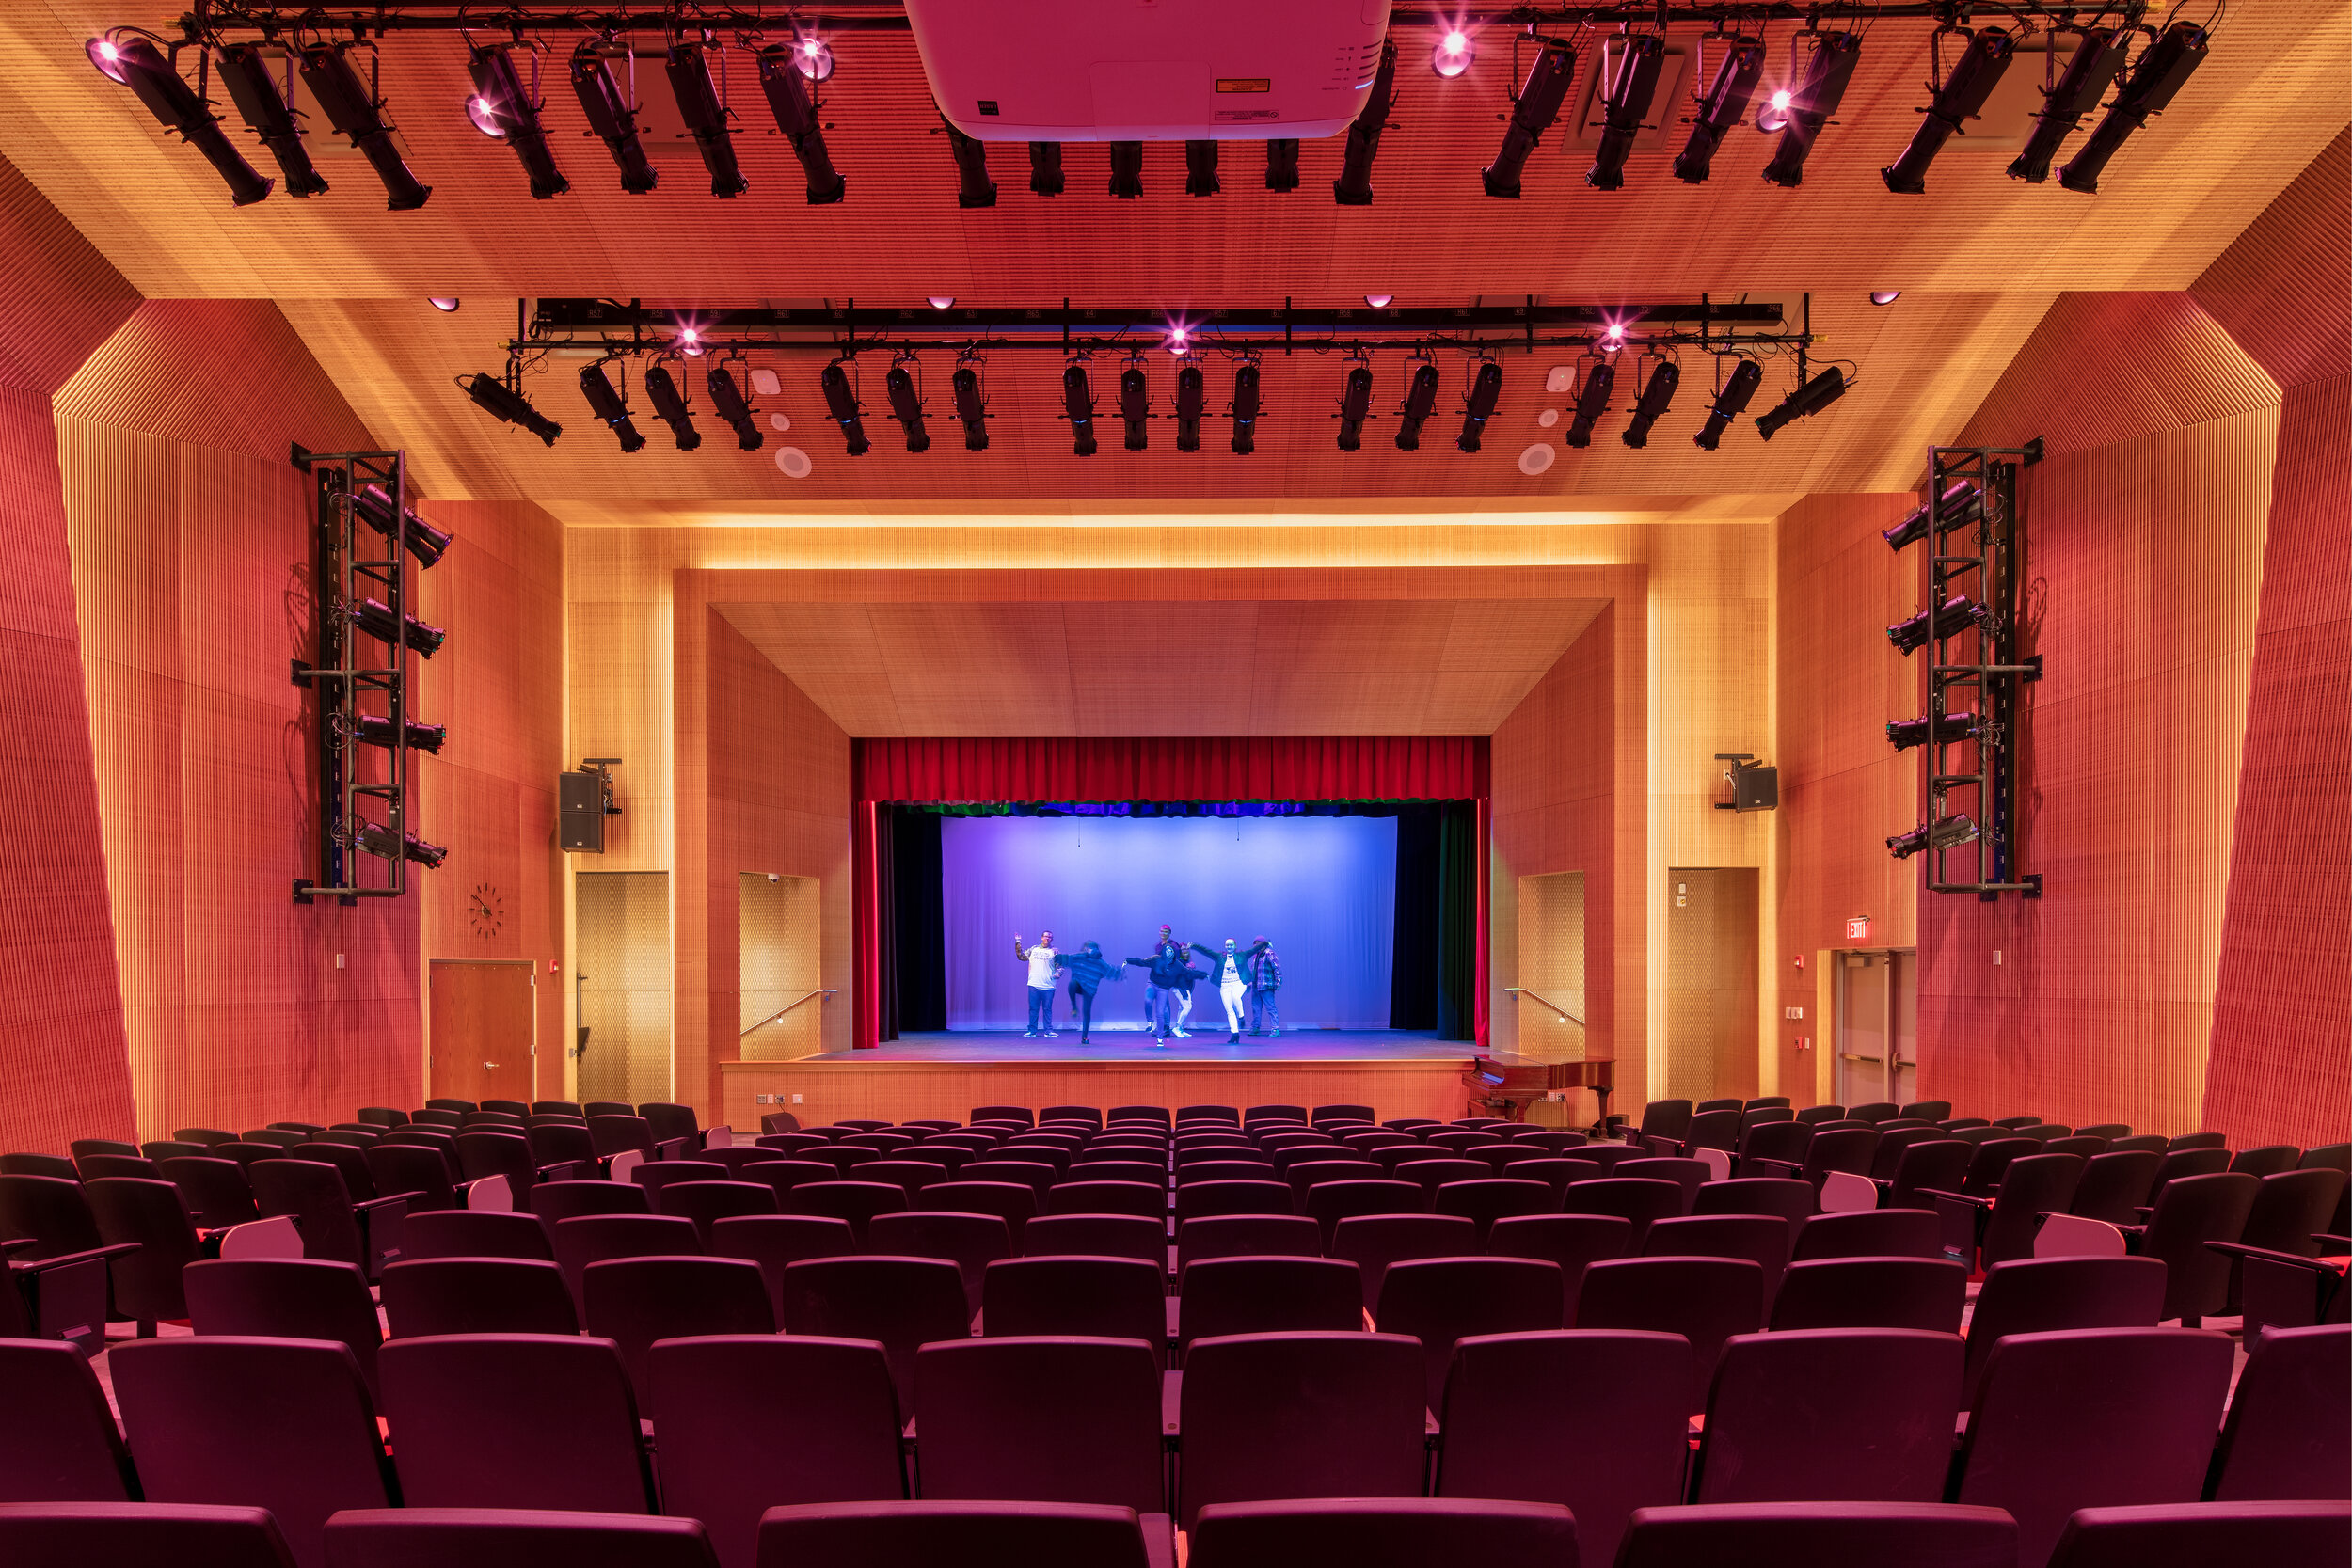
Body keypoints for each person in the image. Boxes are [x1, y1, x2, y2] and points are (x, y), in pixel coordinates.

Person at [1192, 937, 1270, 1044]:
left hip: (1239, 983)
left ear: (1235, 946)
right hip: (1225, 985)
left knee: (1235, 997)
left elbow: (1254, 950)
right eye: (1227, 945)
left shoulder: (1242, 955)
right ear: (1225, 946)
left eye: (1231, 945)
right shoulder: (1219, 956)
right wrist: (1194, 945)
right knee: (1229, 1009)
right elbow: (1206, 951)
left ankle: (1241, 1016)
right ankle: (1235, 1034)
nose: (1229, 947)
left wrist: (1266, 942)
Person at [1126, 927, 1190, 1043]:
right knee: (1161, 1003)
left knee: (1165, 1004)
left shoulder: (1173, 945)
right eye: (1161, 931)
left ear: (1170, 933)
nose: (1163, 933)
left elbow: (1176, 959)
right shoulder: (1158, 946)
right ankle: (1163, 1027)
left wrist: (1181, 969)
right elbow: (1156, 960)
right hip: (1159, 977)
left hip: (1169, 977)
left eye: (1166, 932)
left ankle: (1165, 1028)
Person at [1058, 942, 1125, 1045]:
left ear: (1096, 950)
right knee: (1072, 984)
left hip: (1089, 989)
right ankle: (1074, 1007)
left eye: (1091, 948)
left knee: (1086, 1011)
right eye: (1087, 948)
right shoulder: (1079, 957)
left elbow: (1110, 971)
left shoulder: (1100, 963)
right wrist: (1056, 958)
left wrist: (1120, 973)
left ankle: (1084, 1037)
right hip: (1078, 985)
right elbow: (1067, 958)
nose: (1088, 950)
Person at [1012, 931, 1059, 1037]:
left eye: (1050, 937)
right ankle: (1032, 1031)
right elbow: (1021, 956)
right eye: (1045, 936)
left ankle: (1048, 1031)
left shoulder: (1054, 951)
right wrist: (1018, 942)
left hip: (1048, 985)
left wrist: (1058, 973)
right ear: (1042, 937)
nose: (1047, 938)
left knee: (1047, 1009)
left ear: (1052, 939)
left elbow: (1060, 966)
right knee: (1033, 1009)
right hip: (1034, 984)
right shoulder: (1034, 949)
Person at [1247, 935, 1282, 1037]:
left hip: (1266, 985)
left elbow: (1276, 968)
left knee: (1271, 1008)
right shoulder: (1256, 955)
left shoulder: (1269, 953)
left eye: (1257, 944)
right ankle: (1255, 1028)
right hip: (1256, 986)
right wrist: (1250, 983)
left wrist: (1278, 981)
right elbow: (1254, 971)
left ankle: (1275, 1029)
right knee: (1256, 1008)